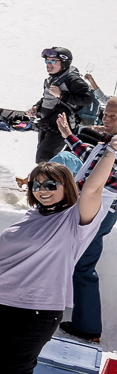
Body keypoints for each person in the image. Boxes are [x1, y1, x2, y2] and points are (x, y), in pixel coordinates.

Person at [0, 148, 117, 374]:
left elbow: (95, 186)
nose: (42, 190)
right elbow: (19, 247)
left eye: (50, 184)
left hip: (35, 310)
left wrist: (111, 148)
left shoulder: (74, 219)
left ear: (66, 187)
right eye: (37, 184)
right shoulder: (33, 215)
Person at [53, 99, 117, 341]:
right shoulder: (109, 143)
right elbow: (90, 158)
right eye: (105, 114)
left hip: (100, 210)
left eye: (113, 117)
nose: (105, 120)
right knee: (79, 264)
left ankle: (88, 327)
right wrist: (69, 136)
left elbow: (102, 175)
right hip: (93, 207)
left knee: (83, 267)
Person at [30, 45, 97, 163]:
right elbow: (48, 98)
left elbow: (87, 99)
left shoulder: (73, 80)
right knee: (42, 155)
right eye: (47, 60)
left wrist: (62, 95)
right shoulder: (53, 78)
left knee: (46, 158)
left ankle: (47, 180)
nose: (48, 64)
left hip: (61, 127)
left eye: (53, 61)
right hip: (47, 123)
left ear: (64, 63)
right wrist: (36, 107)